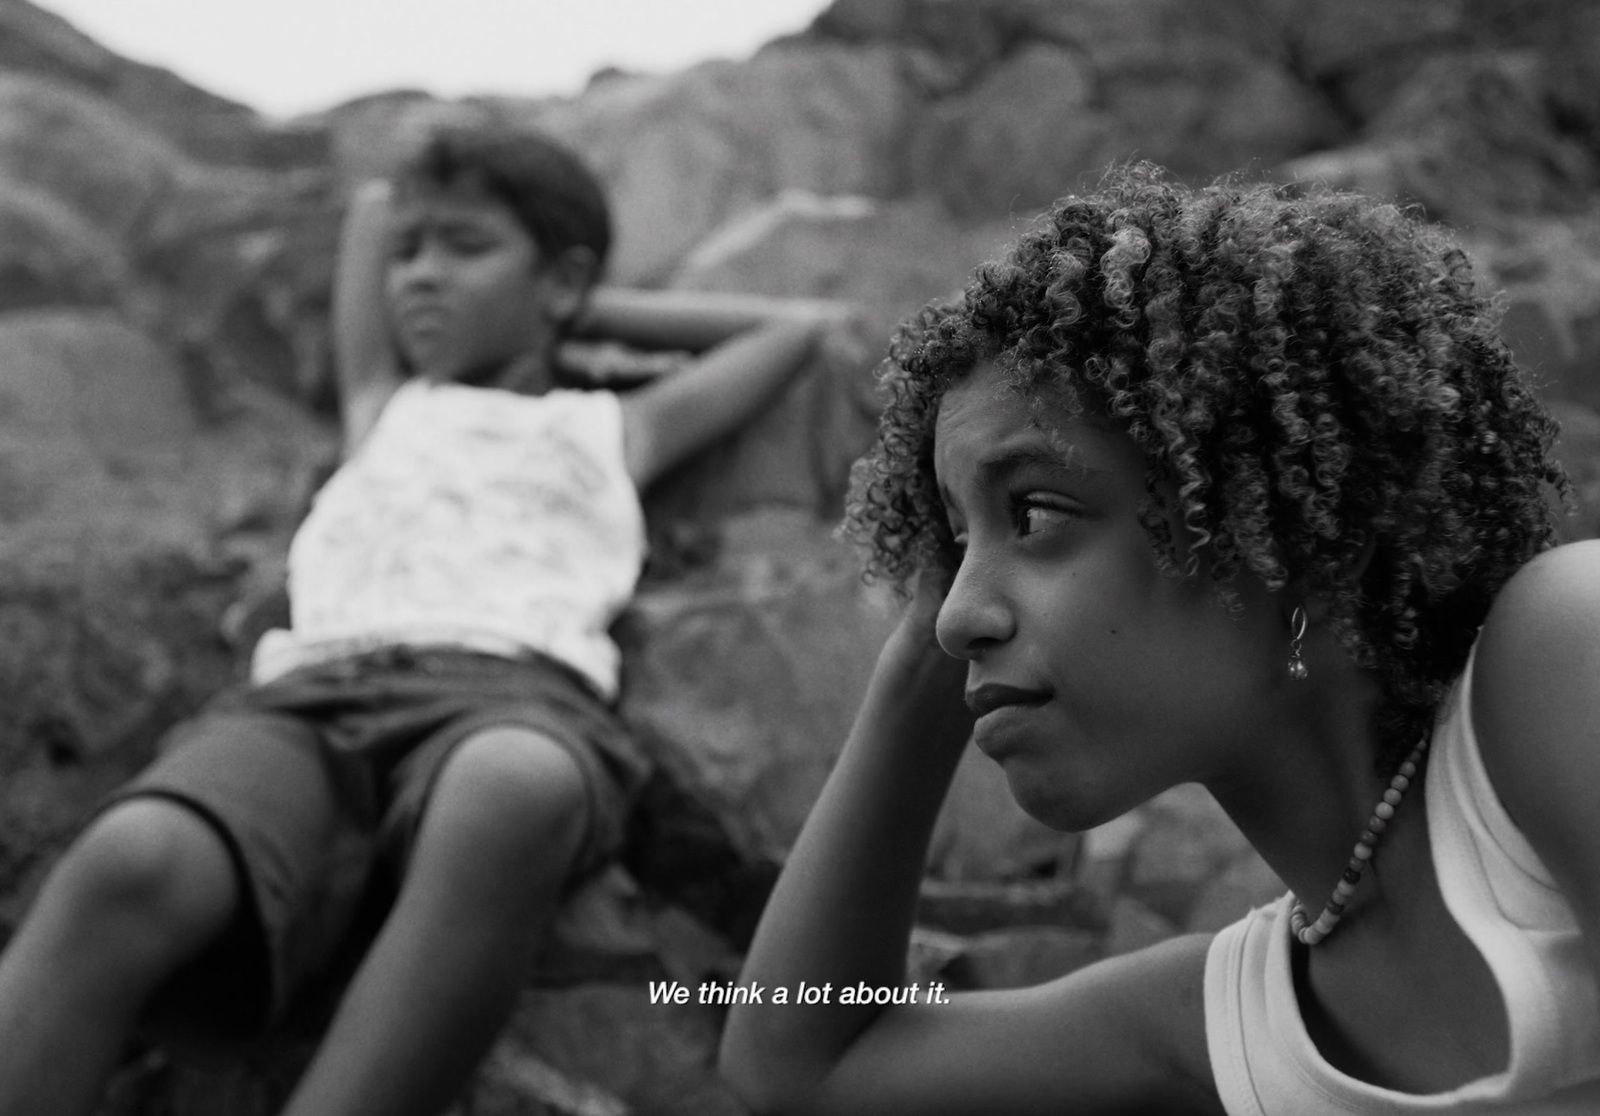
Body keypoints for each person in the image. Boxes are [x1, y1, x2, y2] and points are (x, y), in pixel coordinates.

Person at [0, 118, 844, 1116]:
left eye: (465, 247)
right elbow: (369, 215)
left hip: (507, 695)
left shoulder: (612, 427)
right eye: (410, 254)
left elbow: (791, 327)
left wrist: (569, 309)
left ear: (561, 280)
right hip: (304, 702)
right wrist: (479, 261)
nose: (420, 277)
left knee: (511, 790)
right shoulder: (383, 402)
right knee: (131, 857)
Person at [718, 164, 1600, 1116]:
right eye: (954, 542)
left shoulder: (1560, 647)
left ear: (1294, 537)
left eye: (1038, 510)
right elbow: (800, 1062)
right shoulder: (1232, 1025)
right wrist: (911, 676)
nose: (954, 616)